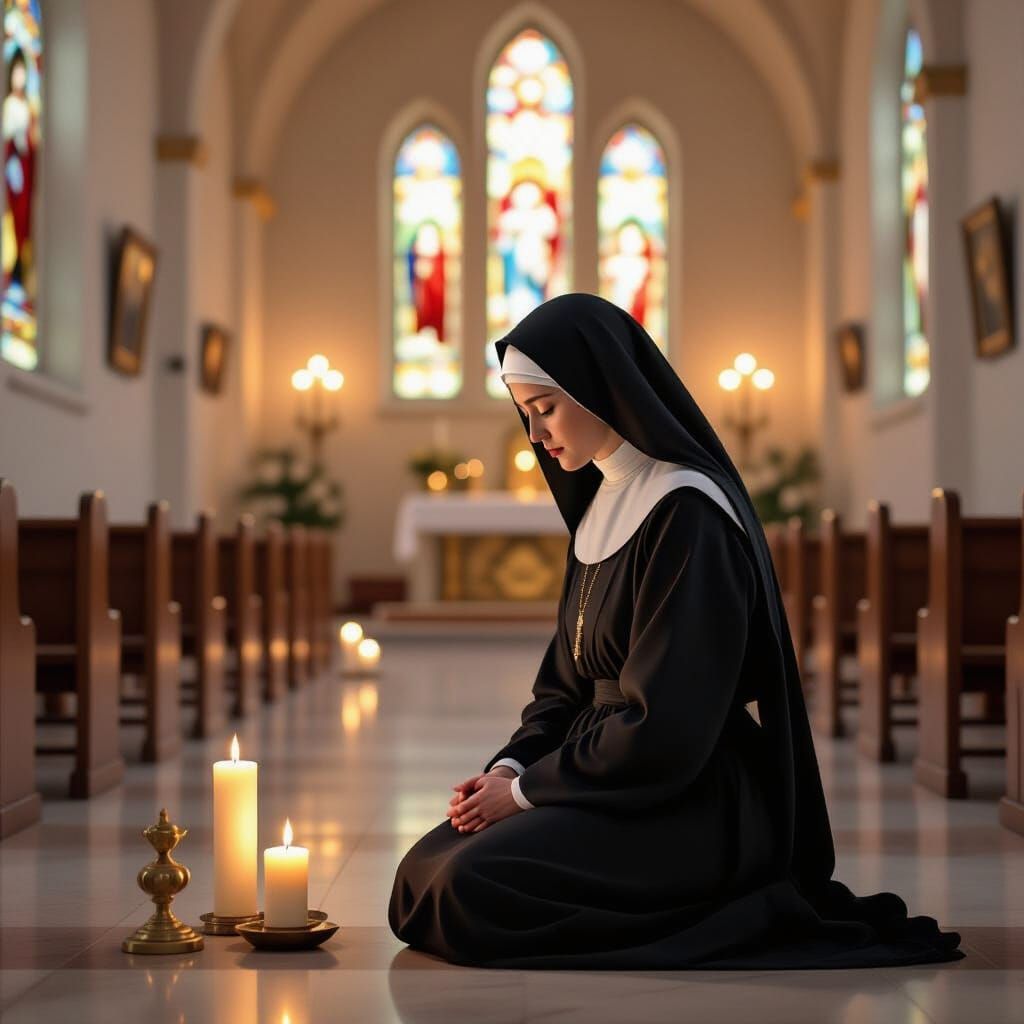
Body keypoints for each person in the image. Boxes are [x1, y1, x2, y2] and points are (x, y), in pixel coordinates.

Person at [387, 292, 963, 969]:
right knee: (419, 871)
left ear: (601, 388)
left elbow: (670, 724)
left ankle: (715, 899)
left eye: (544, 410)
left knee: (465, 887)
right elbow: (561, 688)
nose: (536, 436)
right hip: (596, 774)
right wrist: (511, 768)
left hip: (686, 795)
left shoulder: (687, 514)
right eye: (525, 416)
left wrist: (523, 793)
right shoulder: (603, 505)